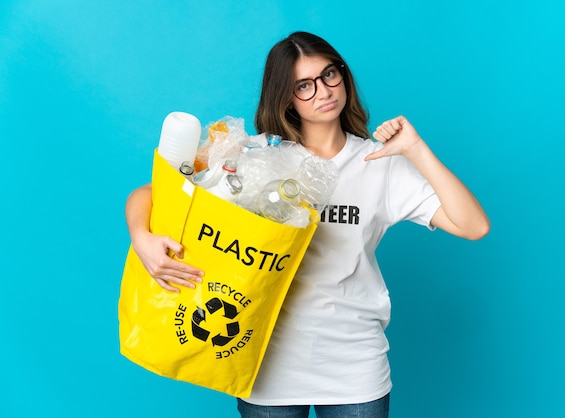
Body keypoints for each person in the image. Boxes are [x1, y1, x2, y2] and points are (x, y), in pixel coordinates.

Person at [125, 31, 490, 418]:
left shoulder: (378, 163)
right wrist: (141, 237)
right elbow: (151, 191)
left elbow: (473, 226)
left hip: (354, 365)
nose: (323, 90)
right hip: (265, 361)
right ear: (285, 96)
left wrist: (415, 149)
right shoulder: (255, 156)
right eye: (304, 85)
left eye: (330, 74)